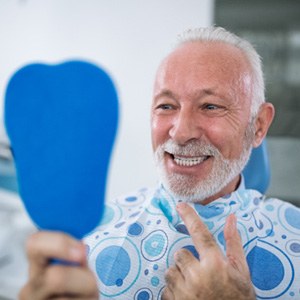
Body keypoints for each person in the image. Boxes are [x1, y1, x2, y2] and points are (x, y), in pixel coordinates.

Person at [19, 27, 300, 300]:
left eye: (210, 106)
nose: (180, 131)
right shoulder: (87, 241)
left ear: (259, 125)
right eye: (166, 106)